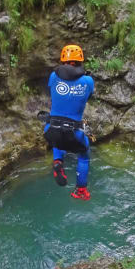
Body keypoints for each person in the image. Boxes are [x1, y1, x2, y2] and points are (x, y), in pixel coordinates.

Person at [43, 45, 94, 201]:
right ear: (80, 61)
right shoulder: (88, 81)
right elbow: (88, 96)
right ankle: (80, 190)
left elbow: (52, 91)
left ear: (63, 60)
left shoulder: (53, 76)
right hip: (74, 131)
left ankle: (58, 162)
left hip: (50, 127)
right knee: (84, 156)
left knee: (57, 141)